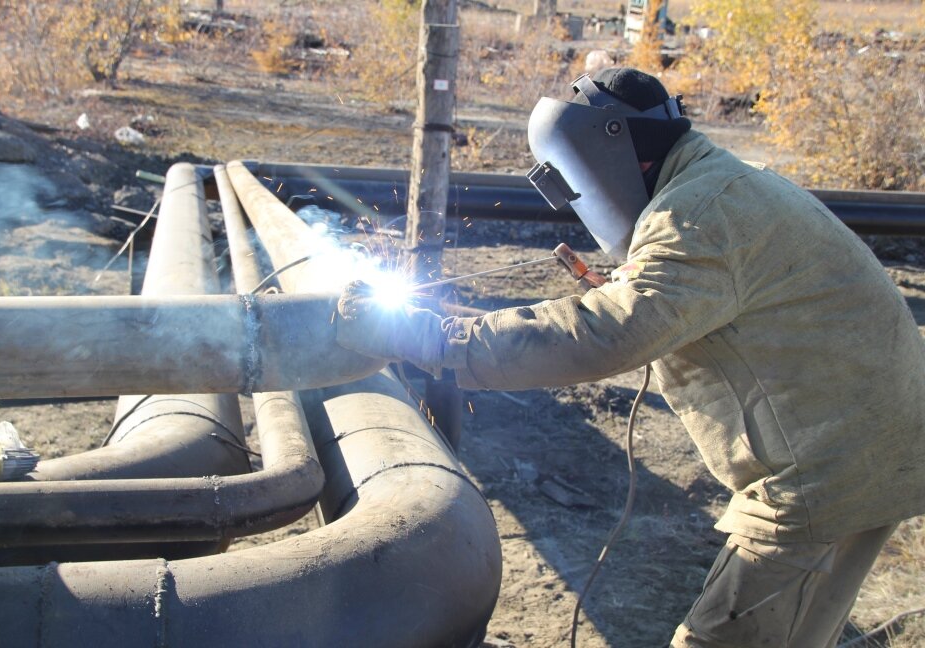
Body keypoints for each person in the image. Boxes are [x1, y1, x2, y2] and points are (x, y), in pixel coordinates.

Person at [334, 67, 925, 647]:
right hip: (868, 440)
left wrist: (429, 340)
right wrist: (629, 290)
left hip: (827, 470)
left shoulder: (694, 216)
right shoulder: (722, 184)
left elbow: (598, 337)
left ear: (611, 154)